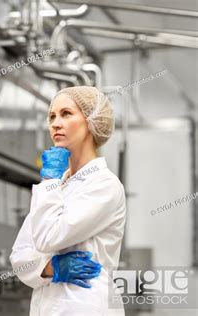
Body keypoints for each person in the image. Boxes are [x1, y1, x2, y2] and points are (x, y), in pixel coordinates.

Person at [10, 86, 126, 315]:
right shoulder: (57, 186)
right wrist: (48, 267)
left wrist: (50, 181)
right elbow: (19, 256)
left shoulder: (104, 186)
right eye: (52, 116)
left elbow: (47, 237)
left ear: (92, 121)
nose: (55, 123)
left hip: (86, 305)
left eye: (66, 114)